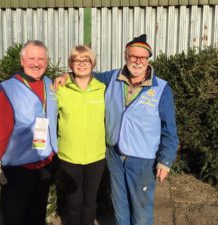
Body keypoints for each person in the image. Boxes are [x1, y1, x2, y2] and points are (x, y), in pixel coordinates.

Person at [55, 34, 178, 225]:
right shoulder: (112, 77)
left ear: (148, 59)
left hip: (142, 158)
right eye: (133, 56)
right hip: (114, 155)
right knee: (120, 207)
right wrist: (65, 76)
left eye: (142, 58)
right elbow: (85, 73)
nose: (137, 62)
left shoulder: (161, 88)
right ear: (125, 56)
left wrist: (165, 160)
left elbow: (169, 128)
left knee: (141, 208)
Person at [0, 40, 58, 225]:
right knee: (15, 218)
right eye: (31, 58)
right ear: (22, 60)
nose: (36, 63)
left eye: (41, 59)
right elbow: (1, 126)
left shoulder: (51, 84)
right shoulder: (9, 88)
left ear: (47, 62)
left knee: (37, 217)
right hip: (19, 169)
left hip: (45, 164)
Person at [56, 45, 106, 225]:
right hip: (69, 156)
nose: (81, 64)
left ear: (93, 63)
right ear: (70, 64)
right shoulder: (60, 88)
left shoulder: (102, 89)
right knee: (74, 201)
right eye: (76, 60)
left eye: (86, 60)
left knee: (90, 202)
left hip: (96, 156)